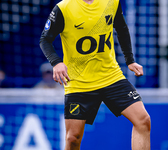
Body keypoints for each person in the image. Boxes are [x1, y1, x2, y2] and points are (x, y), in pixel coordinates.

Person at [39, 0, 151, 149]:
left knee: (143, 120)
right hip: (80, 82)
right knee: (73, 138)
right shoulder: (64, 7)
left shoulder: (111, 2)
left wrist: (130, 60)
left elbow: (122, 28)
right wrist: (56, 62)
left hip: (111, 77)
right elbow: (45, 39)